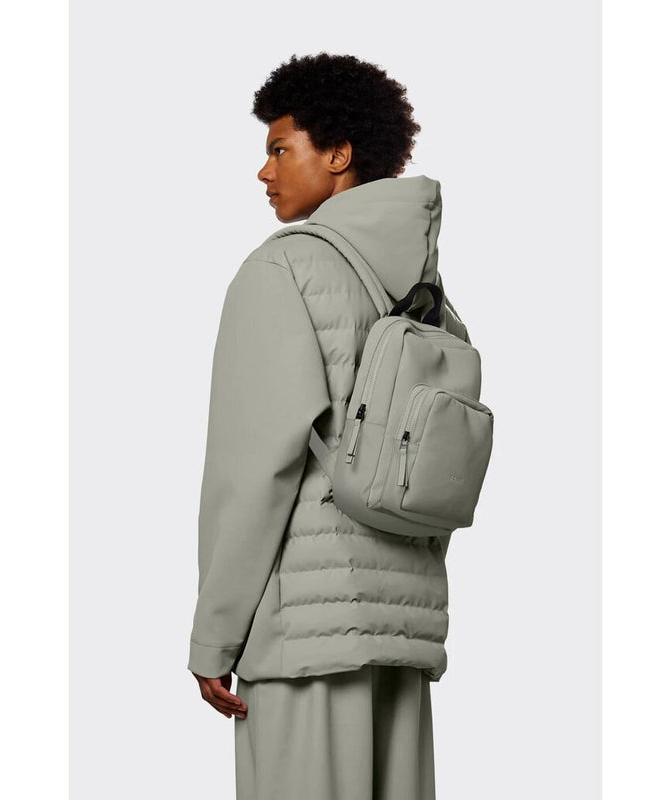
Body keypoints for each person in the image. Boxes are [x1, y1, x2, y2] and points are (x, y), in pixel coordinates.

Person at [187, 52, 471, 800]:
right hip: (403, 633)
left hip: (304, 638)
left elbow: (255, 469)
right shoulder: (429, 298)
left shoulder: (283, 270)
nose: (265, 171)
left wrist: (215, 634)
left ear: (338, 154)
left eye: (281, 149)